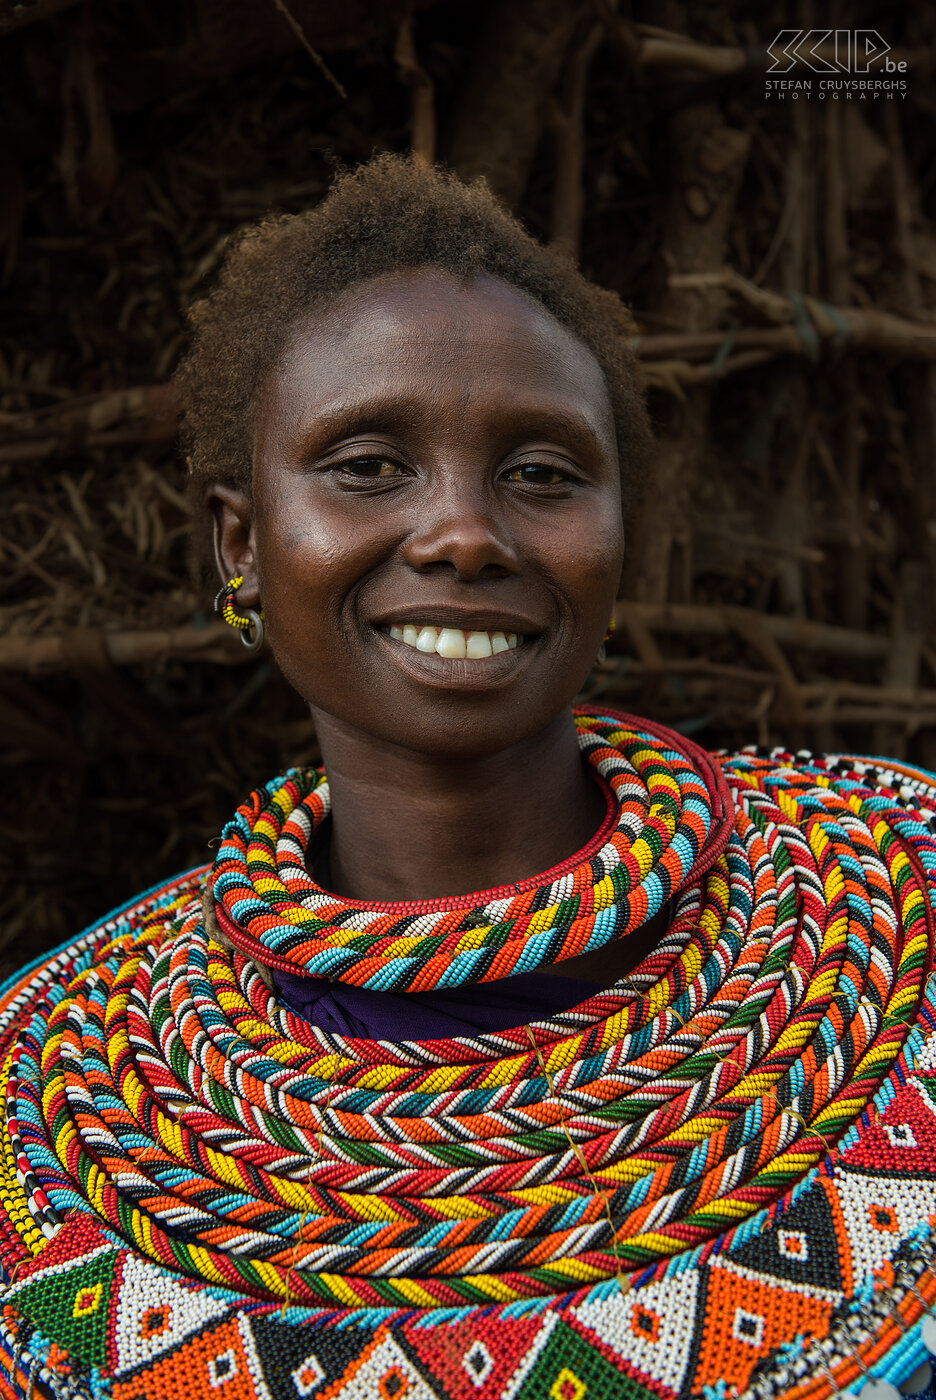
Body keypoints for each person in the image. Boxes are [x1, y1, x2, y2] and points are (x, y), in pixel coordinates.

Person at [0, 156, 934, 1400]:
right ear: (241, 542)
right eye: (368, 464)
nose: (463, 533)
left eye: (542, 473)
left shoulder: (902, 892)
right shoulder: (50, 1087)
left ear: (617, 537)